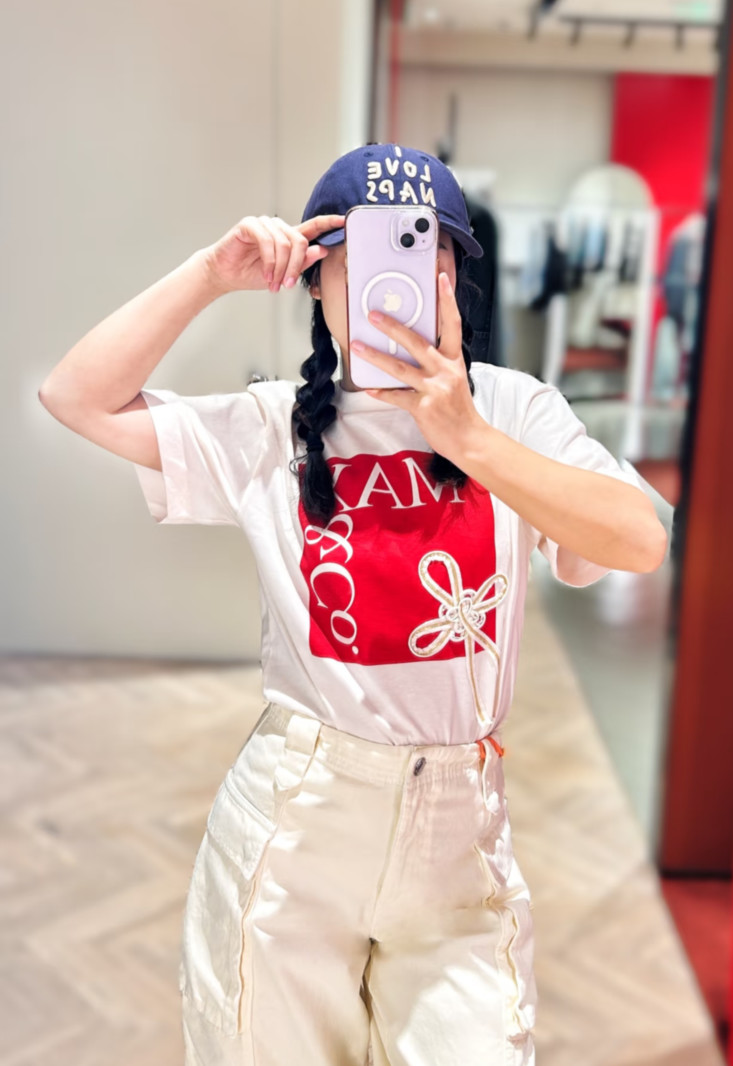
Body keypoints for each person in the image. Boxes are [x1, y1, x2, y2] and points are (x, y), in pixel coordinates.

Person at [38, 142, 667, 1066]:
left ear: (454, 276)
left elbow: (639, 540)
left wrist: (469, 438)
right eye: (359, 255)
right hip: (298, 822)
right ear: (316, 279)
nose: (393, 280)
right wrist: (209, 276)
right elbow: (75, 398)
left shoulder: (514, 411)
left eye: (425, 248)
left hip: (461, 836)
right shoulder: (274, 424)